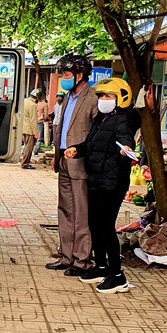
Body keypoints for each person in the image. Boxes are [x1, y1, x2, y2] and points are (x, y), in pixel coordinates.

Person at [64, 78, 140, 293]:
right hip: (96, 179)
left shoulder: (125, 118)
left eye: (108, 96)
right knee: (94, 225)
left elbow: (125, 138)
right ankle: (101, 266)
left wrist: (126, 147)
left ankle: (117, 275)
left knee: (105, 227)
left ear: (121, 98)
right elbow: (91, 143)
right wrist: (77, 149)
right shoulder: (103, 117)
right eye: (101, 96)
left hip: (112, 182)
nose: (103, 100)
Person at [48, 54, 99, 277]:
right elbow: (62, 127)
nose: (63, 79)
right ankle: (66, 255)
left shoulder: (93, 98)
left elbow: (97, 134)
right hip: (64, 161)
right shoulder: (68, 96)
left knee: (81, 212)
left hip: (81, 163)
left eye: (67, 75)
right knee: (65, 209)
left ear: (80, 75)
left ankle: (82, 260)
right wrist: (56, 154)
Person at [21, 89, 39, 169]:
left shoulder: (24, 102)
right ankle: (25, 163)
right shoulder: (33, 105)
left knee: (26, 147)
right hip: (30, 130)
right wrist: (36, 132)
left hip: (23, 128)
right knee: (29, 148)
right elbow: (33, 120)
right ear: (37, 98)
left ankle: (25, 162)